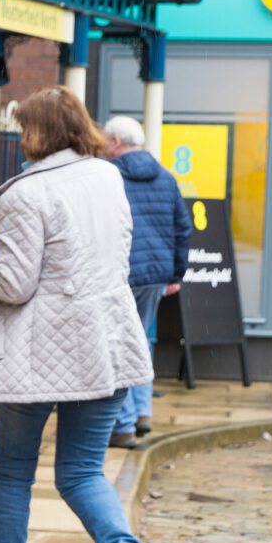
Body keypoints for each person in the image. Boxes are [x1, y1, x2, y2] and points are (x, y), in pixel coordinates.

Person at [0, 87, 162, 543]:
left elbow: (13, 284)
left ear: (39, 132)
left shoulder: (28, 192)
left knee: (13, 474)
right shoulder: (106, 176)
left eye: (23, 129)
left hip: (38, 357)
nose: (20, 139)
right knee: (82, 472)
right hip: (107, 346)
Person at [103, 115, 192, 446]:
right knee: (139, 341)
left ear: (115, 142)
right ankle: (142, 413)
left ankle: (123, 425)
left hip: (121, 274)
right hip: (155, 275)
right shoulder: (166, 177)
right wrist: (175, 274)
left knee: (118, 345)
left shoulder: (109, 175)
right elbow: (183, 228)